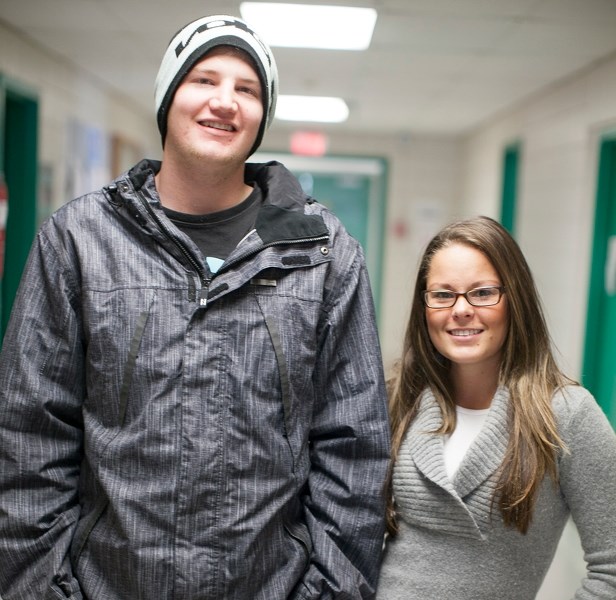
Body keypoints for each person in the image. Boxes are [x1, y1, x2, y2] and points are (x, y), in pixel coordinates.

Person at [0, 15, 390, 600]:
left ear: (262, 116)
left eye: (248, 89)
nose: (225, 102)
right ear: (168, 97)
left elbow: (354, 452)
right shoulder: (79, 241)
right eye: (204, 79)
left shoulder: (323, 256)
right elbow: (30, 440)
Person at [377, 216, 616, 599]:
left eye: (483, 292)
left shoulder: (565, 415)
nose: (461, 309)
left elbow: (612, 570)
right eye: (442, 295)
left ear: (515, 300)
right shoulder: (397, 399)